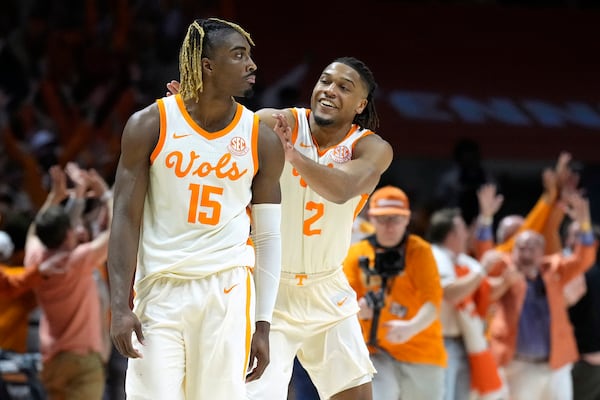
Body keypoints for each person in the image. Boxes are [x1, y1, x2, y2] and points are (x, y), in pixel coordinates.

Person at [167, 55, 393, 399]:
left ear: (361, 105)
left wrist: (294, 157)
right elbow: (225, 145)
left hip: (327, 289)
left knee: (357, 395)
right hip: (268, 289)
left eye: (344, 87)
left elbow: (343, 189)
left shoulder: (371, 147)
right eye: (325, 81)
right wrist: (191, 122)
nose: (329, 90)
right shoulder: (278, 122)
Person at [107, 18, 284, 400]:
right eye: (239, 55)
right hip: (159, 289)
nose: (252, 65)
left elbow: (268, 236)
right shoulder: (150, 125)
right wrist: (119, 306)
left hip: (228, 290)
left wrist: (264, 323)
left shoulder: (262, 138)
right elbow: (124, 217)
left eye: (250, 56)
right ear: (207, 64)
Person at [487, 193, 597, 400]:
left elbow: (584, 259)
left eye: (533, 246)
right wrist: (485, 219)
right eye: (521, 246)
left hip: (556, 364)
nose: (527, 250)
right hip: (519, 364)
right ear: (513, 250)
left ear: (543, 251)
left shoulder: (553, 269)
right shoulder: (503, 269)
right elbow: (484, 256)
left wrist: (584, 225)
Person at [343, 186, 446, 400]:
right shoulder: (356, 253)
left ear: (407, 219)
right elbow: (343, 300)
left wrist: (411, 327)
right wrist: (357, 309)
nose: (389, 226)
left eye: (396, 219)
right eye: (382, 219)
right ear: (370, 218)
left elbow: (433, 301)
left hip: (421, 351)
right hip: (375, 352)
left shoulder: (420, 251)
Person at [24, 164, 113, 400]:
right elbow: (115, 231)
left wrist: (55, 197)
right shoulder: (78, 261)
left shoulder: (34, 260)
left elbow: (34, 231)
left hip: (51, 360)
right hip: (82, 359)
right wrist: (106, 193)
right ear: (68, 234)